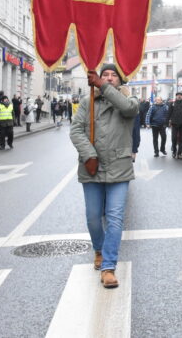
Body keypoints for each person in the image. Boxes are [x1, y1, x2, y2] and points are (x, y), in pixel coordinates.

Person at [70, 63, 138, 288]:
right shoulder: (88, 102)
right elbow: (76, 130)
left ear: (120, 80)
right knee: (93, 217)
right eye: (105, 75)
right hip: (92, 166)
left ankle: (108, 266)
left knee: (115, 218)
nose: (109, 78)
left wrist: (103, 87)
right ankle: (98, 248)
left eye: (113, 75)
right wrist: (89, 154)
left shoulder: (129, 100)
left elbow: (128, 109)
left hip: (119, 168)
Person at [168, 92, 182, 159]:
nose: (179, 96)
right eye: (178, 95)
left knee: (181, 139)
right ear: (176, 96)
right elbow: (169, 113)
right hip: (174, 123)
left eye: (180, 95)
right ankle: (174, 151)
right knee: (174, 138)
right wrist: (167, 122)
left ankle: (179, 153)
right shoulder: (172, 103)